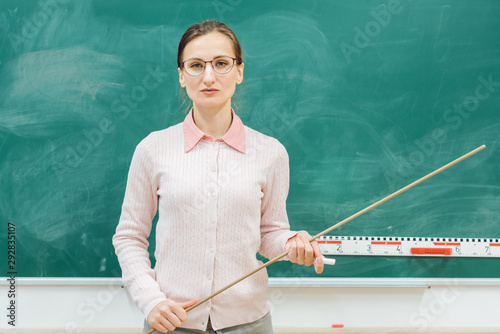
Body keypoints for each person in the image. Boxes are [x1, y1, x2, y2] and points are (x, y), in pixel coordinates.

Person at [113, 20, 325, 334]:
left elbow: (269, 234)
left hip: (248, 323)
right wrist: (150, 300)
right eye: (196, 65)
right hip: (172, 322)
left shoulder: (271, 152)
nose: (209, 76)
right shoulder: (152, 149)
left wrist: (292, 242)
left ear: (239, 72)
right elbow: (129, 237)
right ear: (181, 76)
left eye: (222, 64)